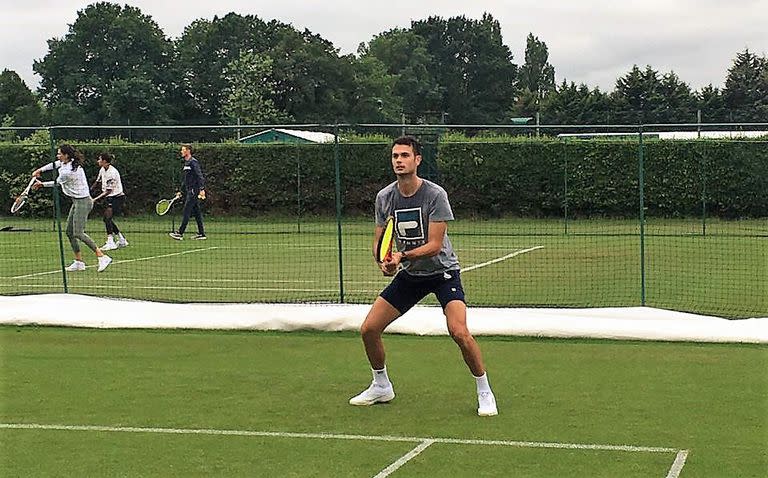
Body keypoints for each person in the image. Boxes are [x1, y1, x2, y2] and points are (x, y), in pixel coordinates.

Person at [349, 135, 497, 417]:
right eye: (395, 156)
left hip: (443, 273)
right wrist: (384, 262)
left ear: (417, 160)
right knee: (369, 329)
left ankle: (484, 391)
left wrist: (401, 257)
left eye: (405, 156)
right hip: (410, 276)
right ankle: (381, 386)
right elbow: (380, 241)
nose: (399, 161)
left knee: (459, 332)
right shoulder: (385, 198)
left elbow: (434, 245)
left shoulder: (434, 195)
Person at [32, 144, 112, 272]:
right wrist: (40, 170)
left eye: (60, 154)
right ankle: (79, 262)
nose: (58, 156)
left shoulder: (68, 171)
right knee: (69, 232)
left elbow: (57, 182)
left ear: (66, 155)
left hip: (83, 202)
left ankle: (102, 256)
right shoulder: (67, 163)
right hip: (76, 202)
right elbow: (54, 164)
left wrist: (42, 184)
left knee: (78, 233)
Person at [91, 152, 128, 251]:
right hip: (109, 198)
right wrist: (88, 191)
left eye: (99, 159)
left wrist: (95, 199)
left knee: (107, 218)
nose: (98, 161)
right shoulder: (102, 169)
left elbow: (108, 191)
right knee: (107, 219)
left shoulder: (112, 172)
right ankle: (121, 240)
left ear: (104, 161)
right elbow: (97, 182)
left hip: (117, 198)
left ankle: (111, 242)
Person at [169, 143, 206, 240]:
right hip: (190, 191)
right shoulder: (186, 163)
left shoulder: (193, 162)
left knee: (186, 211)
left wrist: (202, 189)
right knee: (197, 212)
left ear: (188, 151)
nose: (181, 152)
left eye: (183, 150)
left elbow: (200, 176)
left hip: (194, 191)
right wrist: (181, 191)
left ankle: (180, 233)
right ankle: (201, 234)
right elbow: (186, 180)